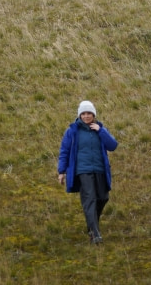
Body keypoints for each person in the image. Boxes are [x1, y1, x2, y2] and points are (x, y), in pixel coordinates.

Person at [58, 100, 118, 244]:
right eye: (83, 113)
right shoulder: (72, 131)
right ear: (79, 115)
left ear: (93, 115)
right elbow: (64, 151)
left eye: (89, 113)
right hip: (82, 171)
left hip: (100, 169)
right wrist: (61, 171)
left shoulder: (100, 129)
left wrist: (101, 131)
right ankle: (95, 234)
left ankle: (92, 225)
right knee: (89, 200)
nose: (86, 116)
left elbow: (113, 146)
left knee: (103, 198)